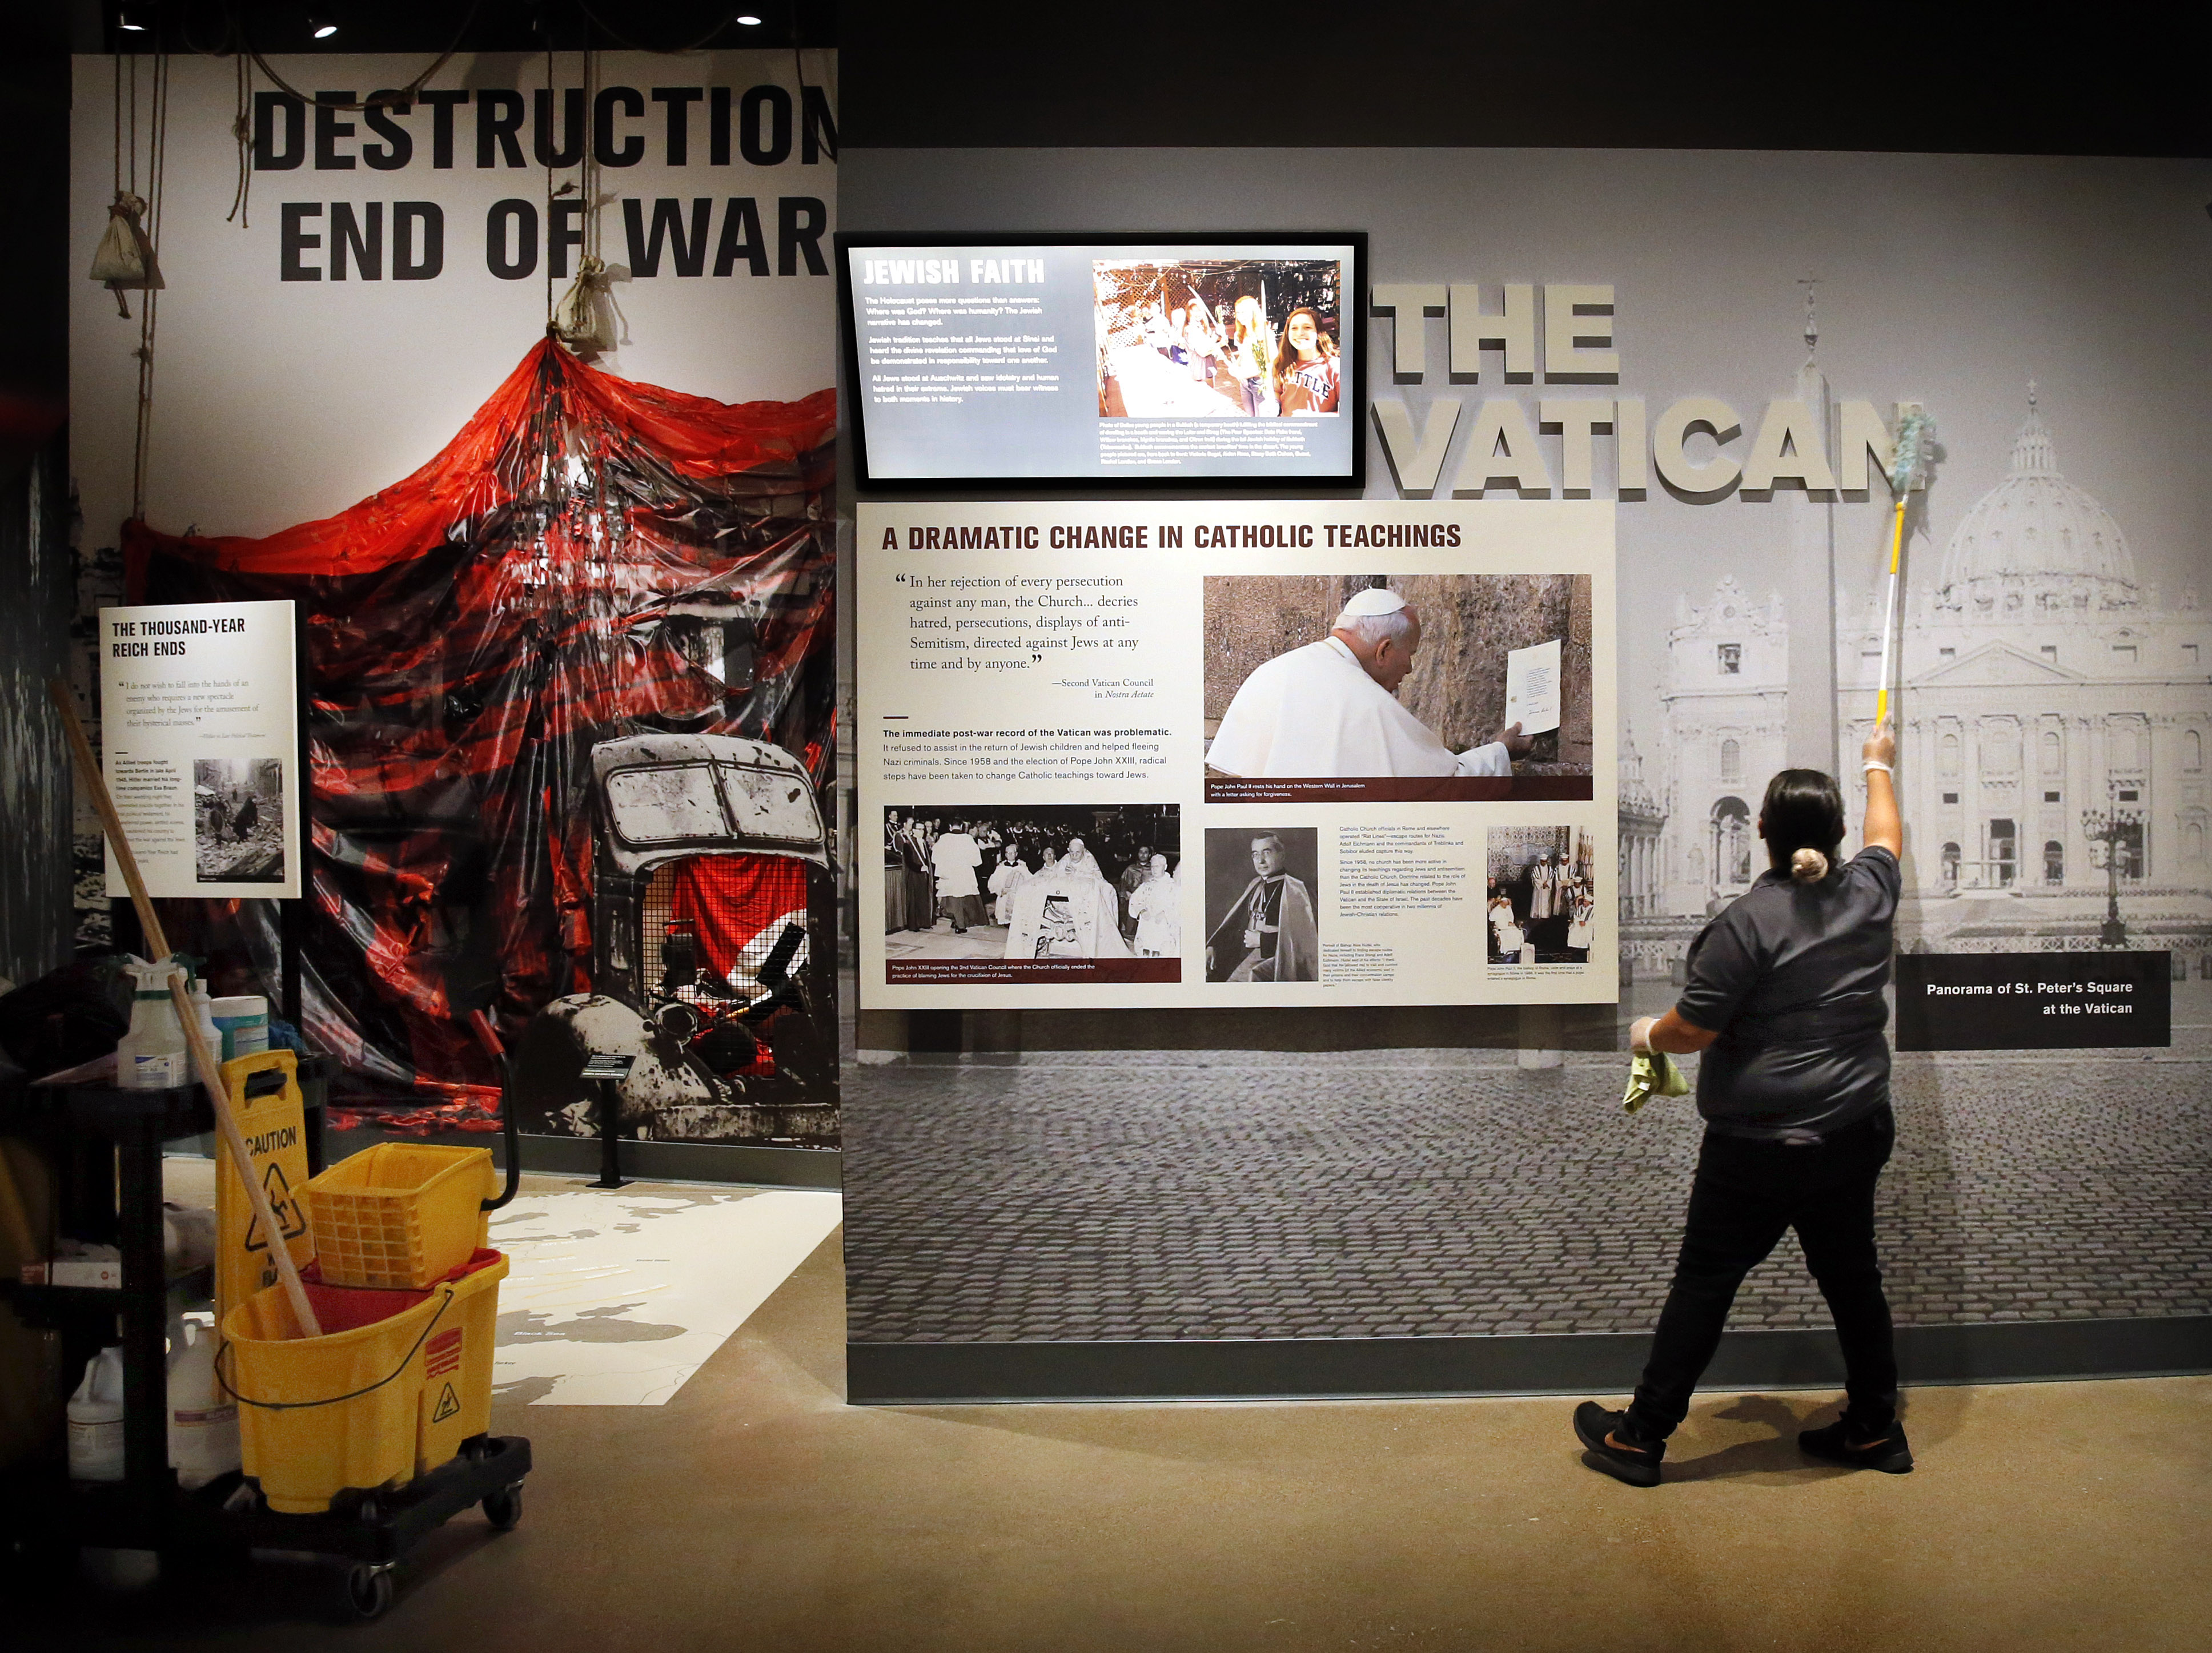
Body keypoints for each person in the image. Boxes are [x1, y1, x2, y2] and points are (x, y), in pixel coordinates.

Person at [1573, 725, 1909, 1488]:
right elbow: (1887, 830)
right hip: (1853, 1130)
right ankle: (1871, 1428)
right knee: (1855, 1282)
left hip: (1754, 1147)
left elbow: (1691, 1030)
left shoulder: (1744, 924)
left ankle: (1640, 1435)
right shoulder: (1869, 892)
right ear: (1837, 835)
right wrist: (1877, 761)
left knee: (1704, 1281)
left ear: (1759, 831)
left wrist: (1644, 1031)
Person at [1206, 588, 1533, 779]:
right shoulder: (1367, 701)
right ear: (1384, 650)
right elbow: (1444, 782)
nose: (1411, 668)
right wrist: (1502, 750)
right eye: (1412, 654)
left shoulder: (1273, 671)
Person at [1206, 834, 1318, 982]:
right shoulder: (1255, 884)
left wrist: (1263, 941)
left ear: (1281, 854)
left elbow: (1304, 943)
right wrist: (1214, 946)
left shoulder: (1296, 889)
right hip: (1247, 955)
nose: (1261, 861)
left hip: (1278, 961)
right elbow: (1236, 923)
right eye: (1255, 855)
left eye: (1267, 853)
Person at [1271, 307, 1340, 415]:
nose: (1300, 333)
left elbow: (1348, 414)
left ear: (1318, 333)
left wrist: (1313, 419)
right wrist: (1273, 405)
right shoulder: (1282, 363)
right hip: (1288, 430)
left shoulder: (1335, 367)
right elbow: (1277, 392)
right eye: (1294, 328)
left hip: (1320, 431)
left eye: (1307, 327)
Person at [931, 819, 985, 934]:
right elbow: (977, 861)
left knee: (952, 899)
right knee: (964, 899)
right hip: (964, 874)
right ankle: (960, 924)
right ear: (962, 826)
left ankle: (957, 921)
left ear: (950, 826)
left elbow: (934, 858)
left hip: (949, 874)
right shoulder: (968, 839)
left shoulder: (944, 838)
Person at [1128, 852, 1181, 957]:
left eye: (1157, 867)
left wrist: (1165, 914)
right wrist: (1142, 911)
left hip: (1164, 925)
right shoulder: (1147, 885)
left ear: (1165, 867)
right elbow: (1134, 900)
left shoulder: (1173, 886)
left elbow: (1179, 905)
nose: (1154, 869)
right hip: (1147, 925)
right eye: (1152, 867)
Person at [987, 843, 1027, 927]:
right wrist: (1000, 891)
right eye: (1008, 853)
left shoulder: (1022, 866)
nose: (1010, 855)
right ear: (1005, 854)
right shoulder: (1001, 868)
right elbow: (992, 883)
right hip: (1005, 896)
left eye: (1012, 853)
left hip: (1017, 896)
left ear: (1016, 854)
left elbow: (1029, 880)